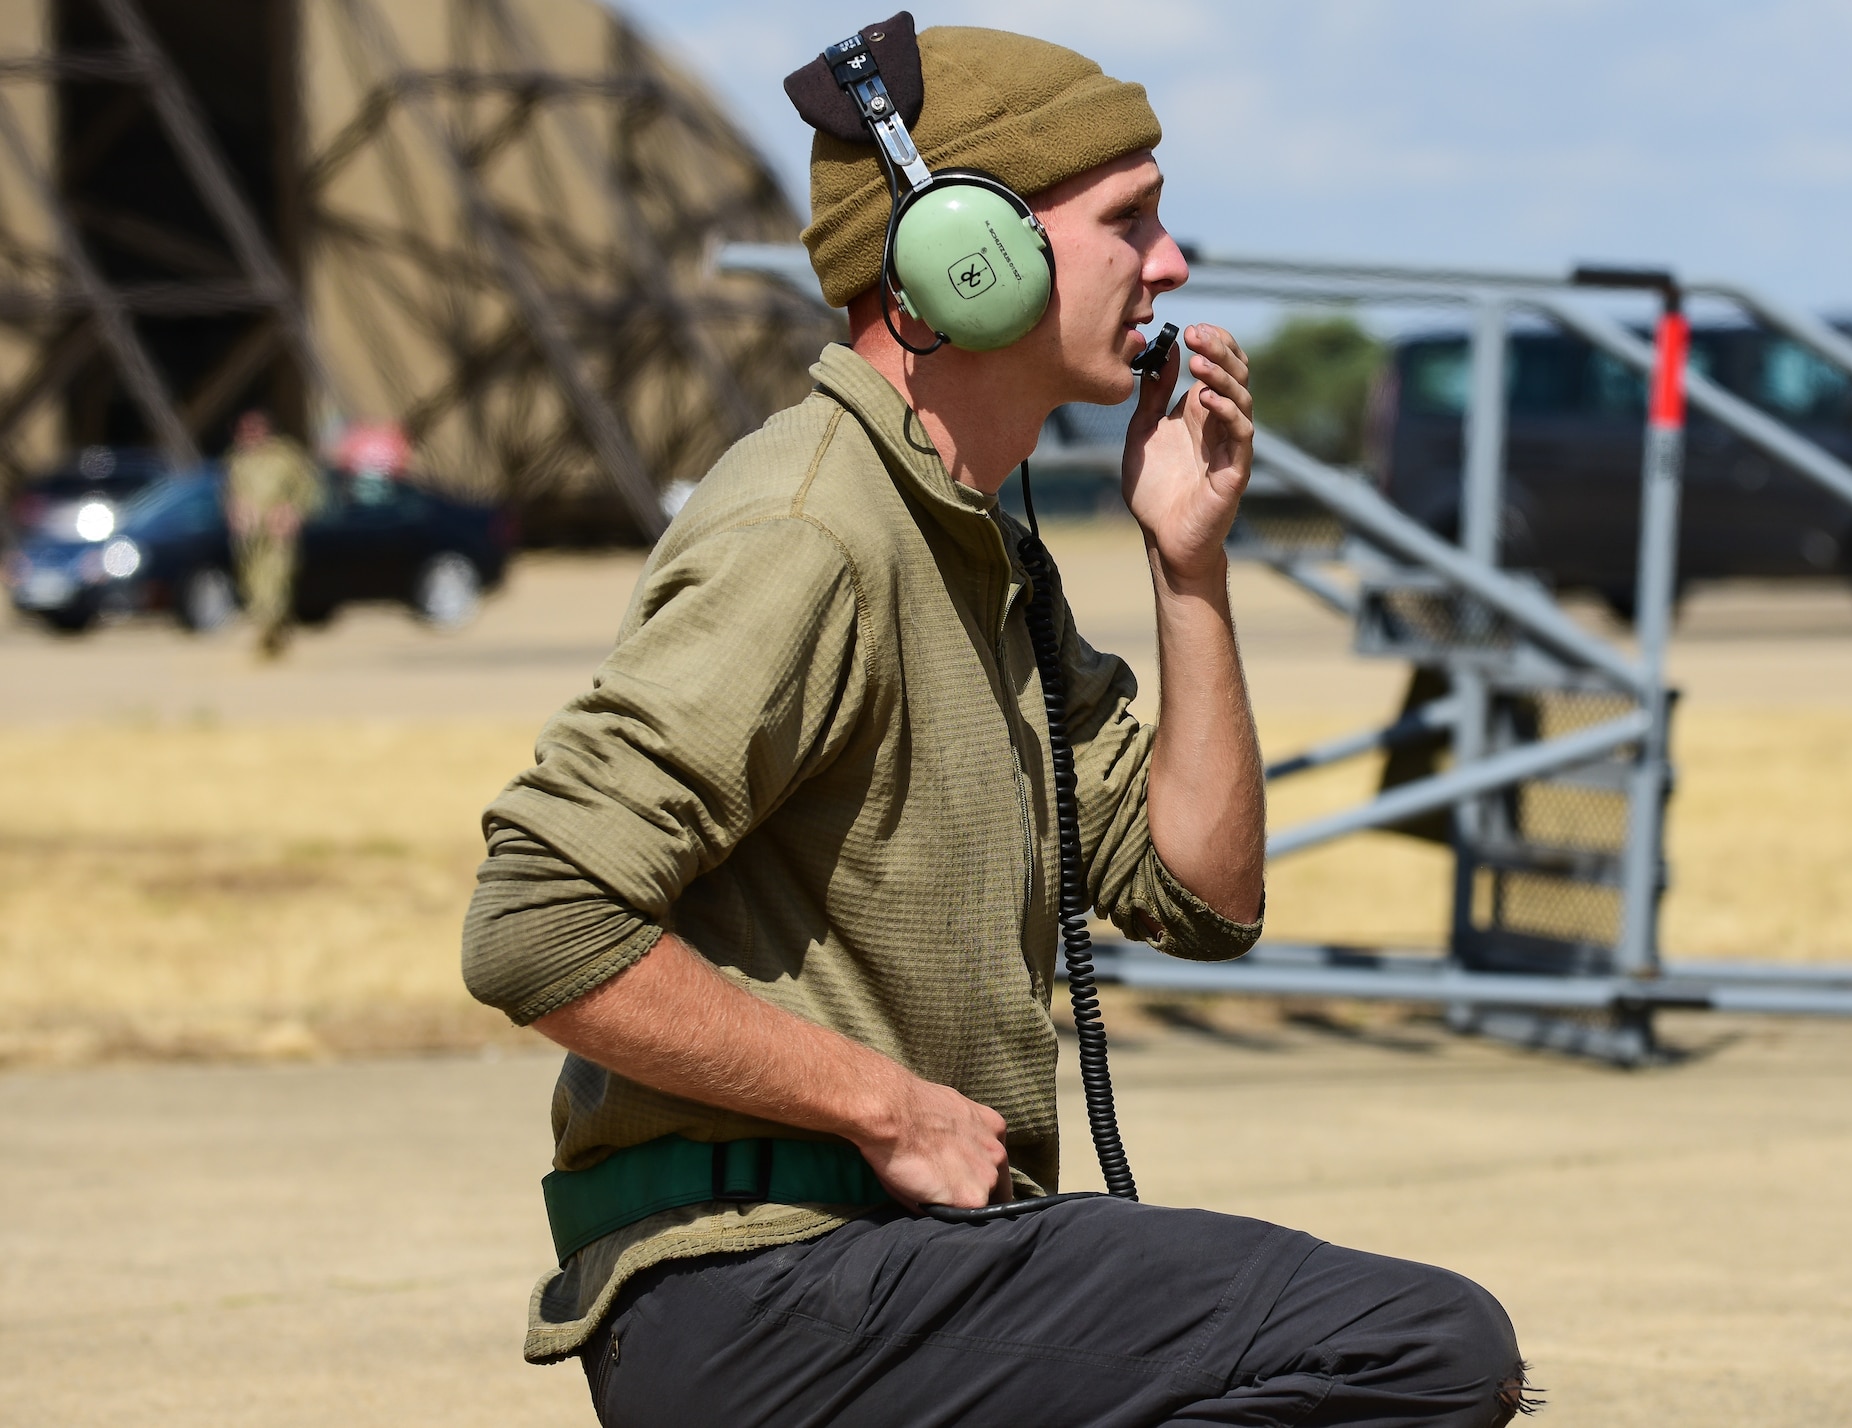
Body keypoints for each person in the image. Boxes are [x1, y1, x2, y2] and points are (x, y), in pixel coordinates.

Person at [462, 18, 1531, 1427]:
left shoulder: (973, 549)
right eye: (1131, 220)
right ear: (971, 254)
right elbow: (536, 918)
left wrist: (1187, 568)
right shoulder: (813, 528)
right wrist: (886, 1107)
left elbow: (1201, 895)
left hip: (872, 1282)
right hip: (760, 1293)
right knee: (1415, 1345)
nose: (1174, 265)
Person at [223, 409, 320, 658]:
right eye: (244, 431)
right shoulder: (237, 460)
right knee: (251, 582)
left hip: (277, 532)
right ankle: (270, 634)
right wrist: (236, 512)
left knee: (276, 582)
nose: (248, 435)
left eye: (253, 430)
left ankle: (267, 632)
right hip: (250, 535)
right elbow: (232, 494)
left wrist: (293, 512)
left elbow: (309, 492)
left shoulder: (286, 457)